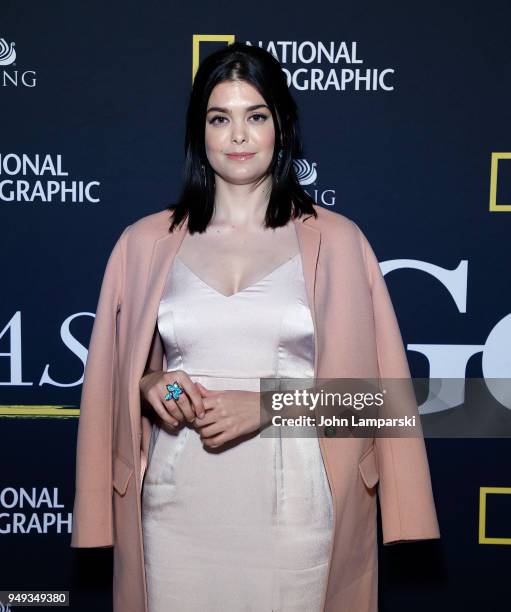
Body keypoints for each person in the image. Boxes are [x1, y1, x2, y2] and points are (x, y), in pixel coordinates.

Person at [70, 41, 441, 612]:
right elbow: (118, 386)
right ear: (200, 131)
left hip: (297, 510)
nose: (239, 136)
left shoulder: (340, 242)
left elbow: (385, 404)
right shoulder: (141, 243)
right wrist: (150, 386)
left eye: (256, 116)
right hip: (174, 510)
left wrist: (267, 405)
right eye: (220, 118)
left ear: (281, 126)